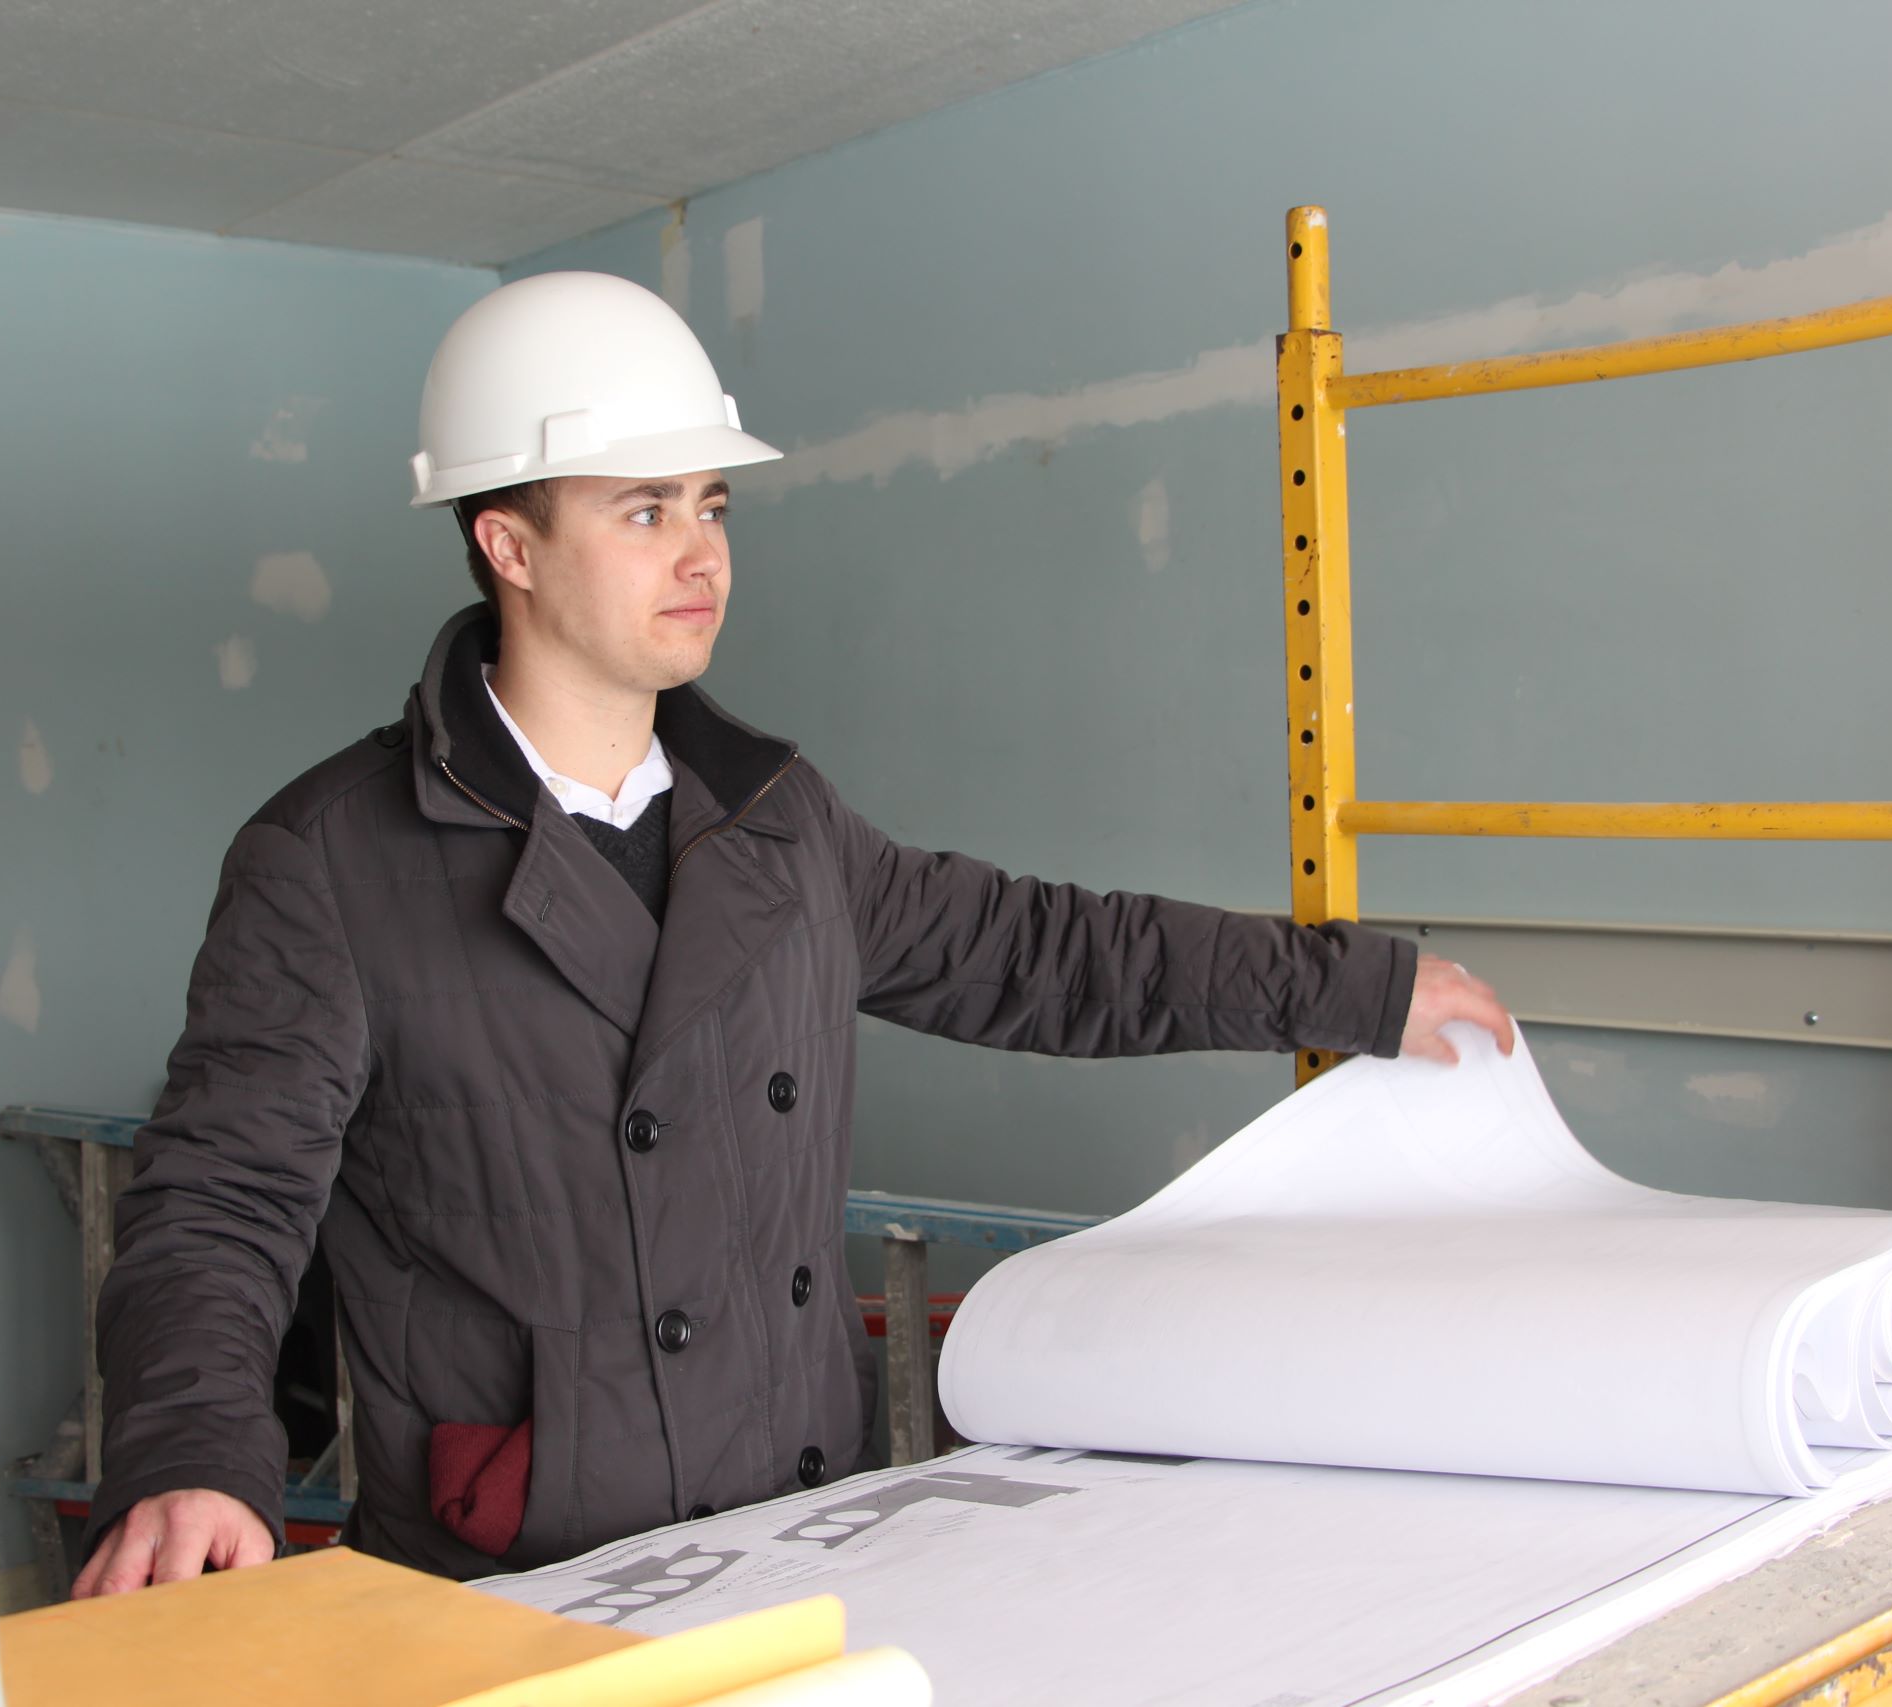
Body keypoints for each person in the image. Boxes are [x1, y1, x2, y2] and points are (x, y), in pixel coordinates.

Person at [74, 272, 1514, 1596]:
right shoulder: (329, 860)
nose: (700, 553)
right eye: (644, 511)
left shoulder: (777, 820)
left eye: (711, 504)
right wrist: (196, 1455)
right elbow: (220, 1201)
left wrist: (1353, 985)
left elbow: (1042, 954)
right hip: (524, 1582)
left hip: (800, 1540)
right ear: (506, 542)